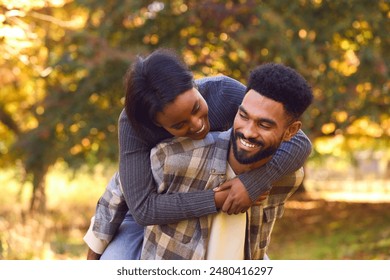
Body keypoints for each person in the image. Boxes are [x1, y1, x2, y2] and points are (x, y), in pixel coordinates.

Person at [83, 49, 312, 259]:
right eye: (179, 125)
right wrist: (217, 199)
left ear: (194, 84)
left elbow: (299, 143)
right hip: (143, 206)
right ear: (157, 123)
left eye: (196, 108)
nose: (198, 125)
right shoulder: (135, 126)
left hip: (209, 191)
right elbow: (141, 206)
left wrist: (252, 183)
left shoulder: (223, 92)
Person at [141, 62, 313, 259]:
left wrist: (255, 181)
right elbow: (118, 196)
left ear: (291, 131)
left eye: (264, 125)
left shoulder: (289, 177)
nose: (248, 132)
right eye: (243, 116)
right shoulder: (174, 156)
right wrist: (95, 251)